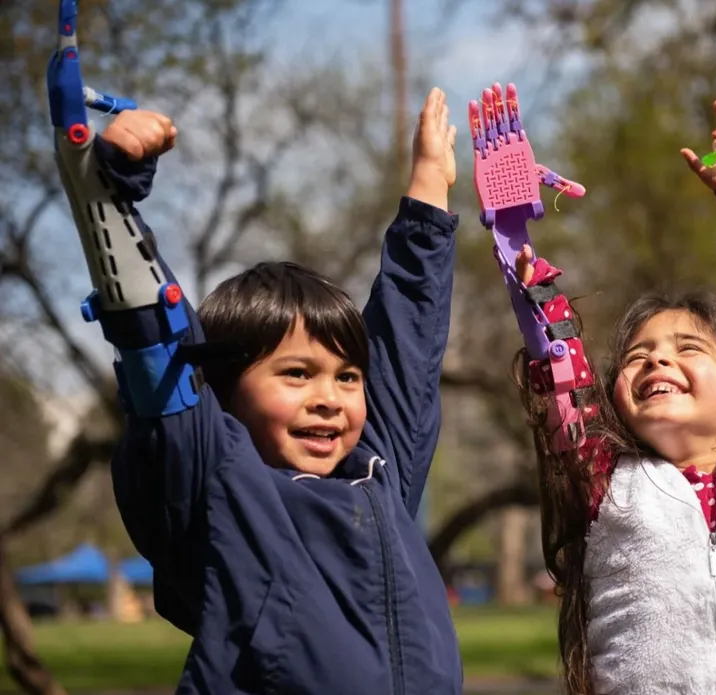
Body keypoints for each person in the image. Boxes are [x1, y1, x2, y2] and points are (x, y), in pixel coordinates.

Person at [76, 89, 463, 693]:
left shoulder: (380, 470)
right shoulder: (216, 486)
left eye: (347, 377)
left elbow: (407, 347)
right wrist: (113, 191)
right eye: (297, 374)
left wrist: (429, 190)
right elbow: (156, 341)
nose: (330, 397)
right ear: (224, 393)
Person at [512, 101, 716, 694]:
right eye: (638, 356)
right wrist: (537, 291)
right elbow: (563, 376)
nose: (658, 359)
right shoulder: (604, 479)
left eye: (689, 348)